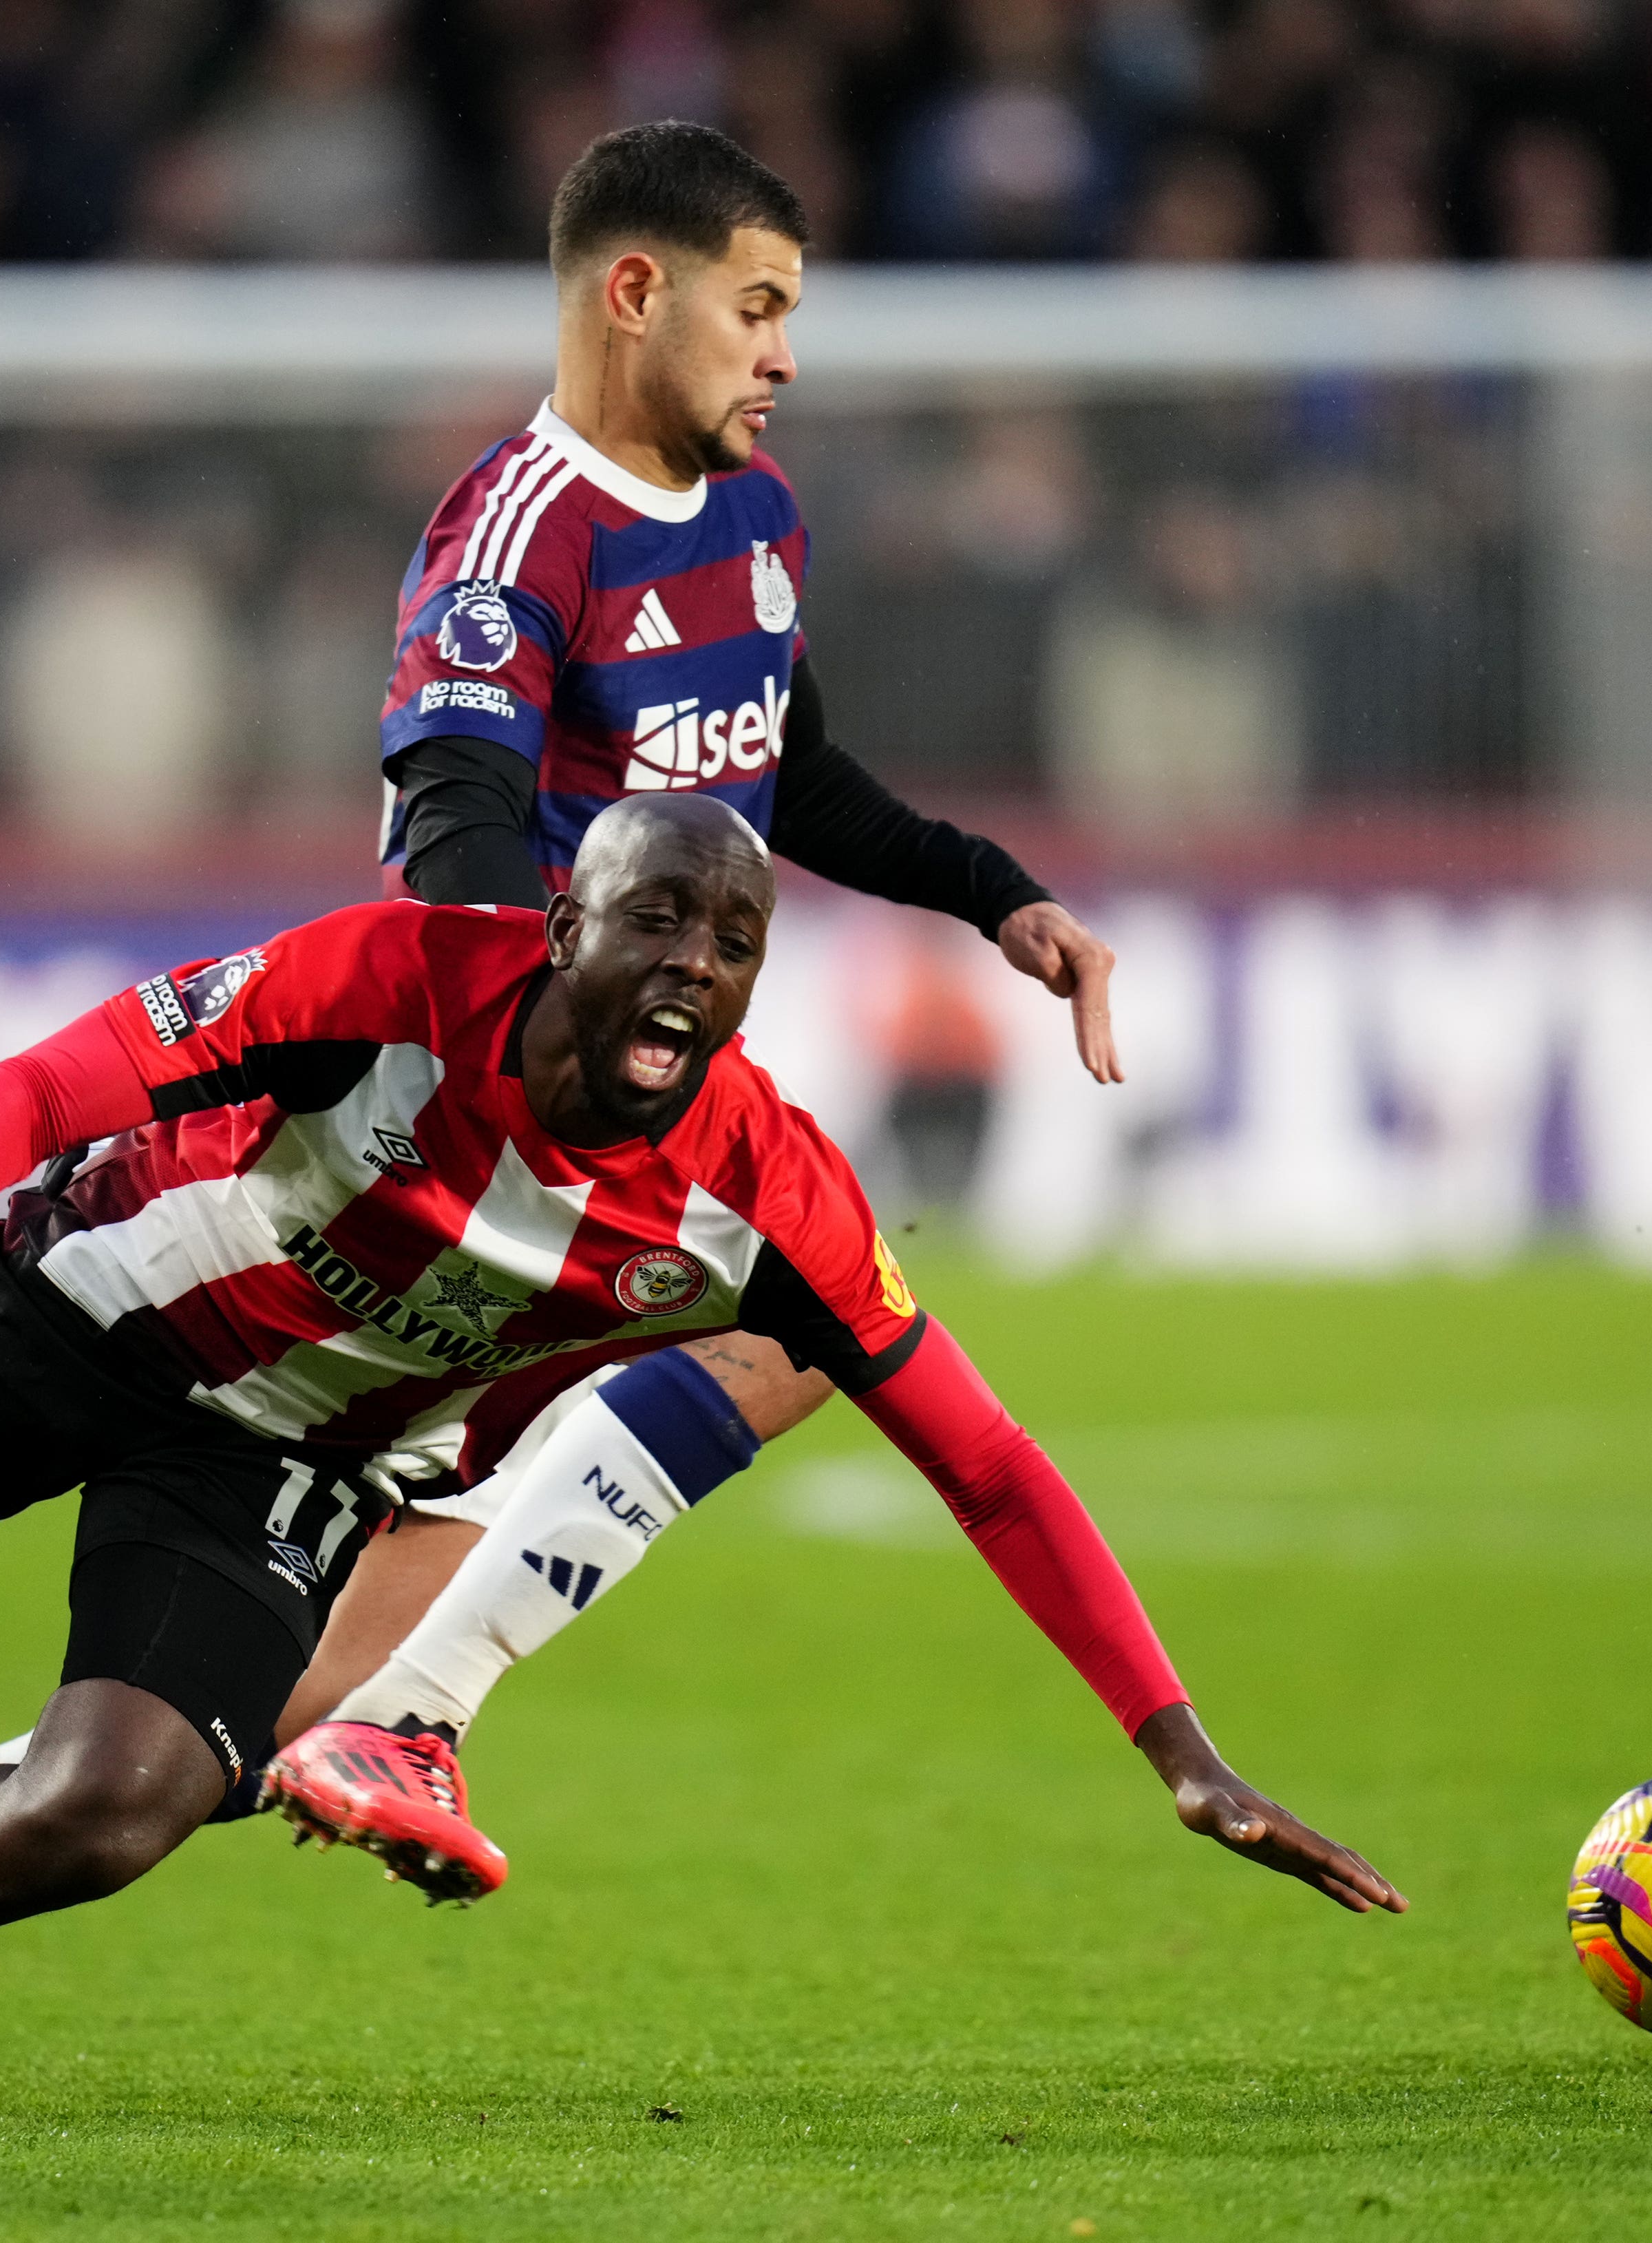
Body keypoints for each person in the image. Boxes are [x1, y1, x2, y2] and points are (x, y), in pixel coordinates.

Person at [0, 796, 1395, 2124]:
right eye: (663, 927)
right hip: (82, 1310)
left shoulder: (772, 1197)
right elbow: (114, 1052)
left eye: (734, 953)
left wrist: (1180, 1748)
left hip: (277, 1462)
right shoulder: (394, 984)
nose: (695, 977)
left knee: (106, 1817)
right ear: (573, 923)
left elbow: (993, 1466)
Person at [258, 120, 1131, 1871]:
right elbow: (454, 840)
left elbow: (785, 778)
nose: (784, 355)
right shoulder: (518, 531)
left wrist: (991, 895)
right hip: (469, 1137)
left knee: (268, 1707)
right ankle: (407, 1717)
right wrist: (557, 1045)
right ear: (636, 291)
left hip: (605, 1128)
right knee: (794, 1327)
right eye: (758, 308)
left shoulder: (753, 519)